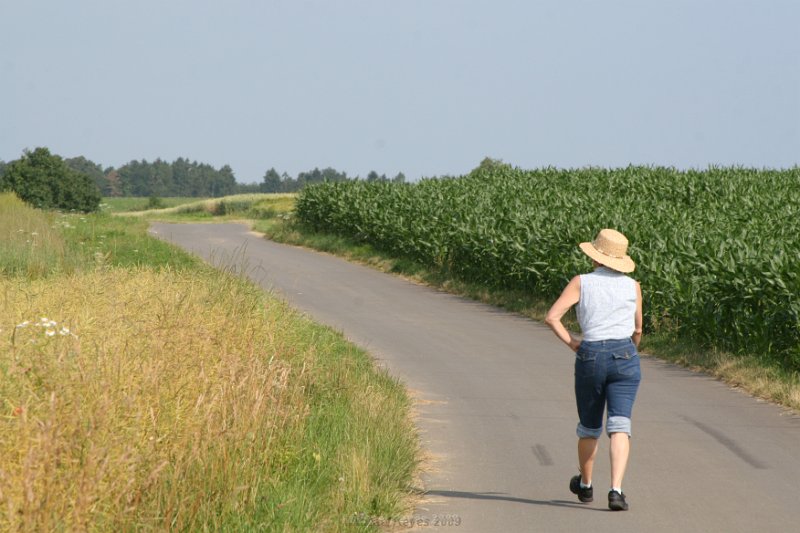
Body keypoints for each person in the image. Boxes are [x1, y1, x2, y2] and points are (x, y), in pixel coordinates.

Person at [544, 228, 643, 511]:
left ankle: (586, 486)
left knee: (589, 426)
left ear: (596, 256)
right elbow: (638, 328)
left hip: (591, 355)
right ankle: (616, 491)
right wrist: (630, 349)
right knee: (620, 425)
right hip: (625, 354)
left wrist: (574, 344)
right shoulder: (633, 286)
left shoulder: (582, 282)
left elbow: (552, 317)